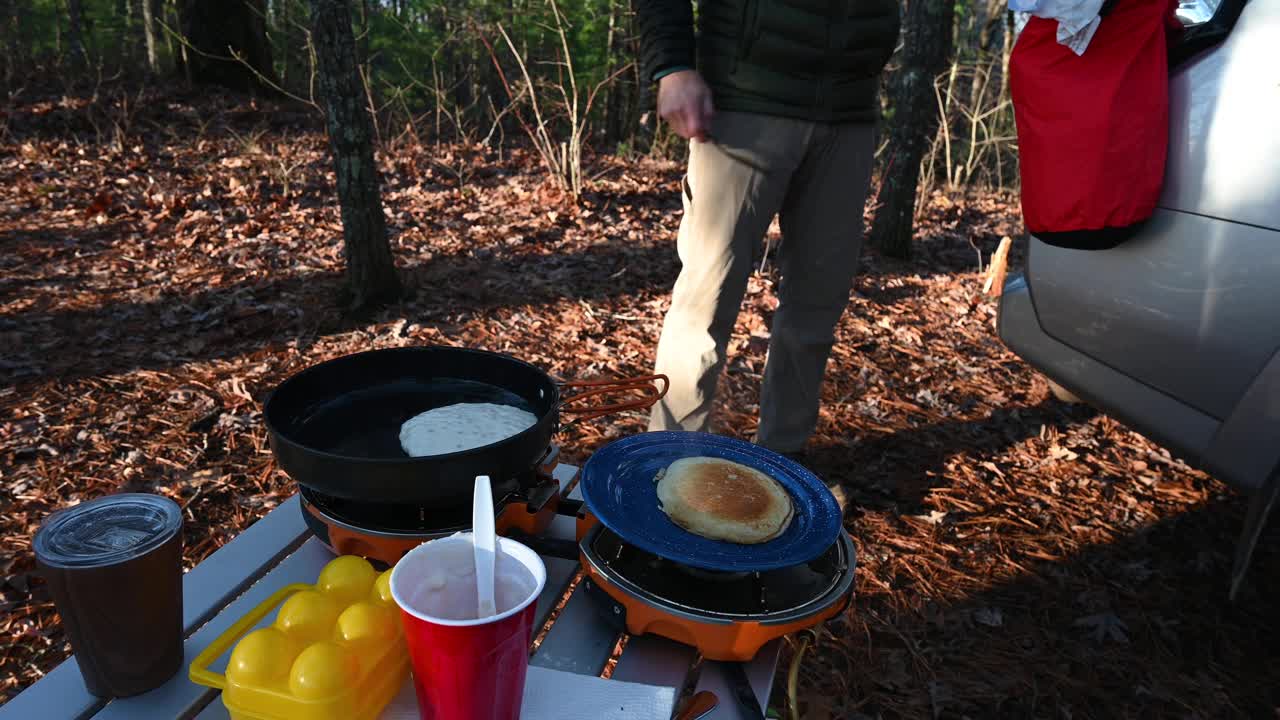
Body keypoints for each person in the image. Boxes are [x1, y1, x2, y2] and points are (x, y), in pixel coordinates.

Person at [636, 0, 901, 454]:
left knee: (816, 306)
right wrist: (673, 66)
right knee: (705, 300)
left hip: (849, 111)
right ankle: (666, 464)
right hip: (745, 101)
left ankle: (783, 465)